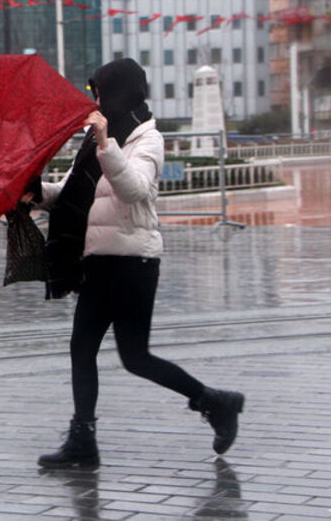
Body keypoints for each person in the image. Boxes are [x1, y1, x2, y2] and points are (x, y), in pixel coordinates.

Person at [24, 58, 245, 469]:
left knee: (135, 357)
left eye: (100, 93)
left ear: (119, 93)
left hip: (133, 264)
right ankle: (83, 440)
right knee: (81, 349)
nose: (96, 102)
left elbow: (134, 190)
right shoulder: (94, 144)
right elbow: (71, 194)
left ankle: (215, 402)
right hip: (98, 261)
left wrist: (105, 142)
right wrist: (36, 193)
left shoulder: (147, 138)